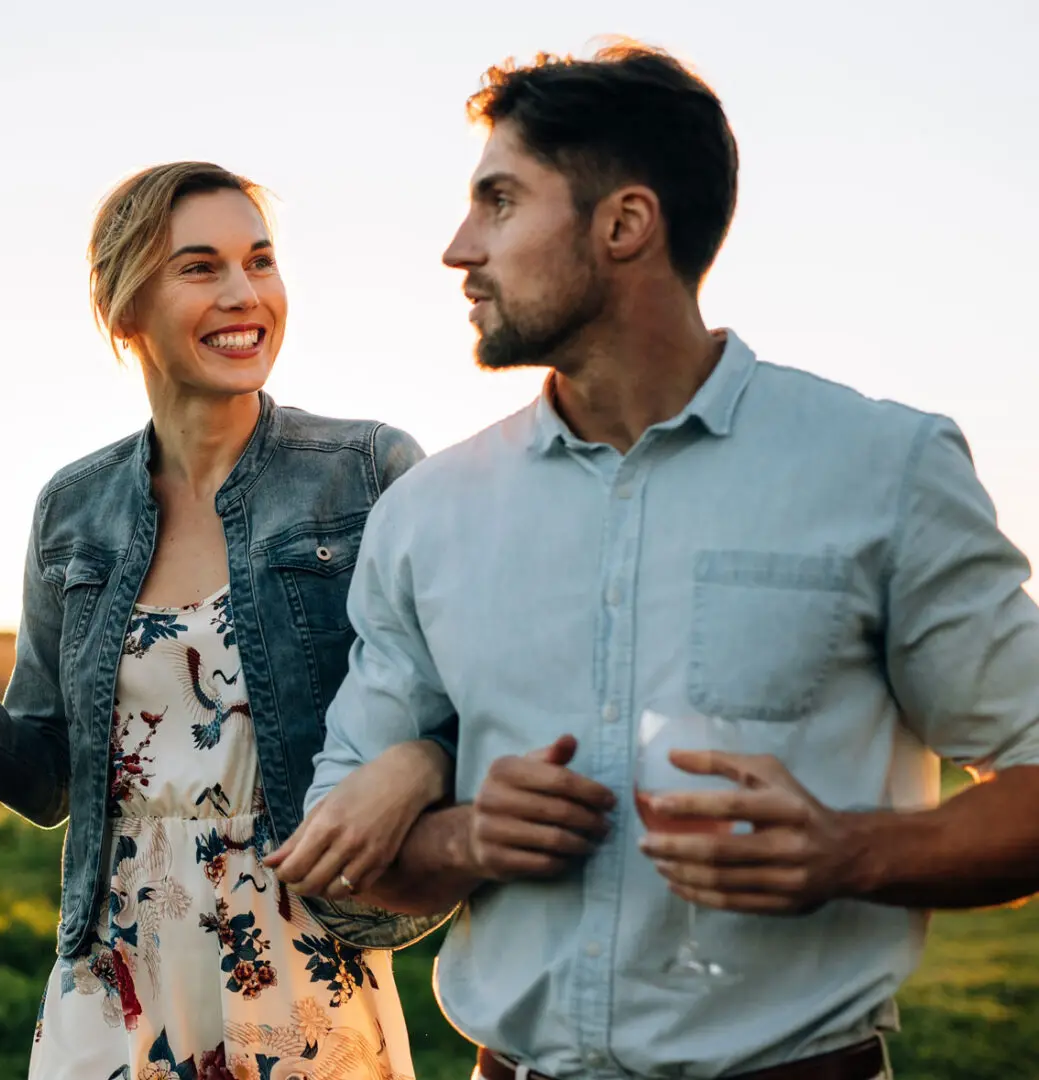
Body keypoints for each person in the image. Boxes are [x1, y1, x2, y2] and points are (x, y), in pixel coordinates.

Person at [270, 41, 1039, 1080]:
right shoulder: (427, 515)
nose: (459, 247)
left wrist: (850, 854)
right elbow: (346, 854)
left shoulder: (884, 470)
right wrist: (467, 841)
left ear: (624, 224)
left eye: (499, 200)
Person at [0, 161, 447, 1080]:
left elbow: (463, 707)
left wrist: (422, 779)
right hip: (115, 962)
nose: (243, 292)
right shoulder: (72, 508)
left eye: (259, 260)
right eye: (200, 267)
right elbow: (54, 776)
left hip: (297, 954)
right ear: (124, 307)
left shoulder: (367, 473)